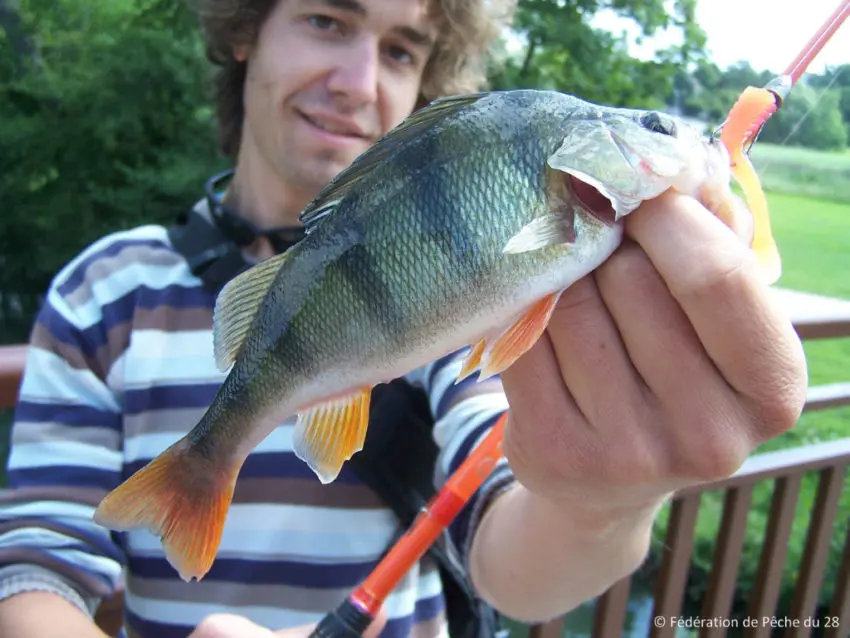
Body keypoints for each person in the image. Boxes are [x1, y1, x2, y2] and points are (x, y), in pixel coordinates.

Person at [0, 0, 809, 636]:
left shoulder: (481, 308)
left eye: (400, 50)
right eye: (327, 20)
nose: (357, 81)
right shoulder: (100, 293)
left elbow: (512, 558)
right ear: (246, 31)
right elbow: (31, 570)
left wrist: (606, 503)